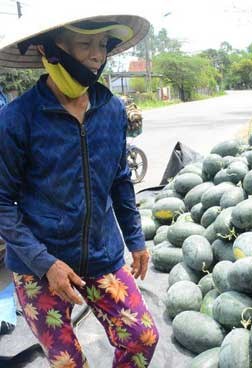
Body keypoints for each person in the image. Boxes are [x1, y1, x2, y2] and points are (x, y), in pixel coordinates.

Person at [0, 12, 159, 367]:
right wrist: (46, 264)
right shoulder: (17, 118)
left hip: (100, 255)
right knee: (67, 361)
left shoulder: (113, 110)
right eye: (85, 43)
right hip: (37, 264)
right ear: (49, 50)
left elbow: (120, 179)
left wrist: (135, 238)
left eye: (102, 45)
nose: (96, 56)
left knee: (143, 337)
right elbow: (1, 202)